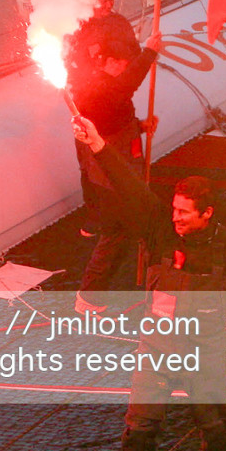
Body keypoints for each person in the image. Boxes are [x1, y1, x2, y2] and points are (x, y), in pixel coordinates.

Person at [71, 114, 226, 451]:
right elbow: (130, 187)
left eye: (185, 212)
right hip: (157, 349)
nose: (176, 218)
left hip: (206, 352)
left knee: (216, 428)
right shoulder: (159, 229)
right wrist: (99, 144)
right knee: (140, 430)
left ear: (207, 213)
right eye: (174, 209)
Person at [71, 23, 162, 304]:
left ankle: (151, 276)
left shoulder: (108, 86)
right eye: (123, 64)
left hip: (125, 168)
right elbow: (122, 90)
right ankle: (88, 297)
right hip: (109, 177)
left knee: (131, 227)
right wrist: (149, 53)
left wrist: (139, 125)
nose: (125, 69)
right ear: (109, 62)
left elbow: (117, 114)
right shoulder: (95, 86)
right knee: (116, 235)